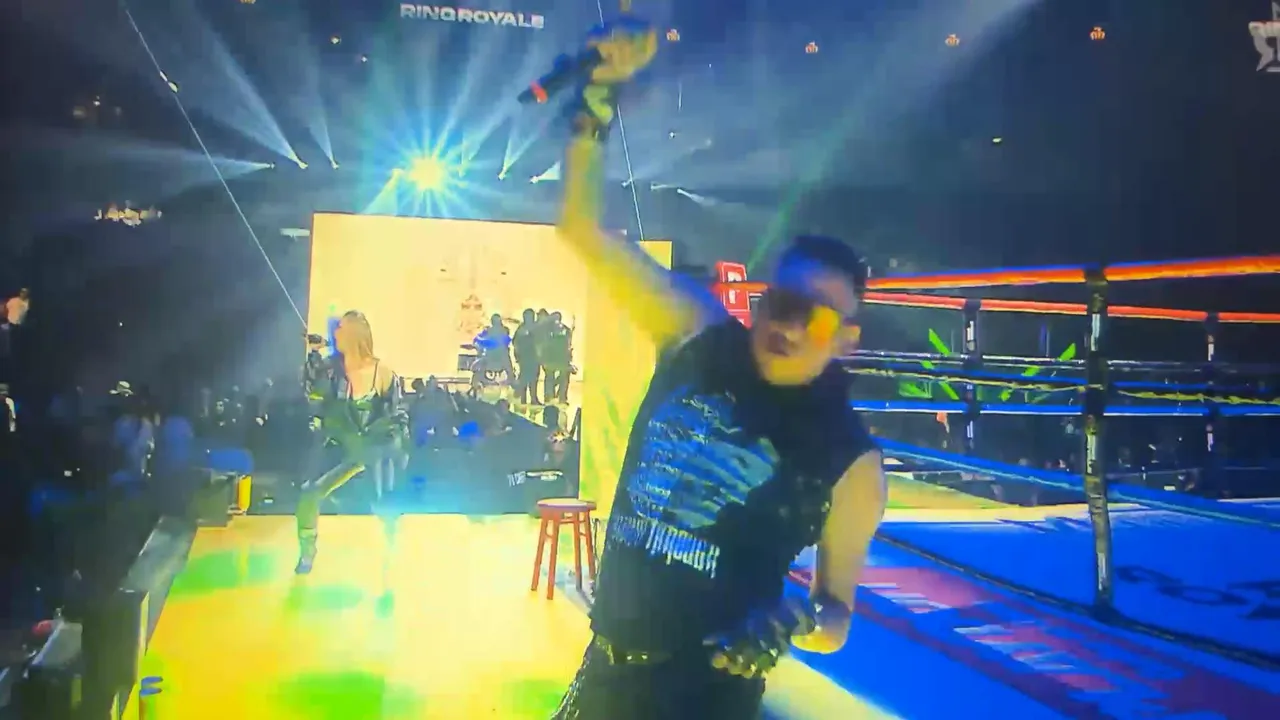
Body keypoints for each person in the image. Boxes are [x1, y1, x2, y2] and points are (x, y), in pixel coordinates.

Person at [550, 21, 886, 720]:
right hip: (605, 672)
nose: (790, 327)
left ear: (848, 341)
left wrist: (792, 621)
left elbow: (835, 618)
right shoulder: (698, 335)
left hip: (706, 699)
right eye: (783, 304)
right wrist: (596, 103)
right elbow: (580, 229)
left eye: (818, 320)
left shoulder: (851, 461)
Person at [296, 311, 408, 574]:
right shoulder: (330, 370)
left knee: (386, 505)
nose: (336, 332)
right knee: (310, 493)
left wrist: (386, 444)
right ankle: (307, 553)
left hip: (373, 448)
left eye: (341, 328)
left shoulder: (382, 372)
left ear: (355, 334)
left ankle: (391, 553)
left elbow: (398, 415)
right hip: (339, 445)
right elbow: (311, 393)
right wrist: (313, 355)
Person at [513, 309, 542, 405]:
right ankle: (525, 399)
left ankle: (531, 399)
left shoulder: (532, 327)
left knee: (532, 378)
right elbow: (515, 343)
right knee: (526, 378)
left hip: (532, 357)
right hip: (526, 357)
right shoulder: (524, 328)